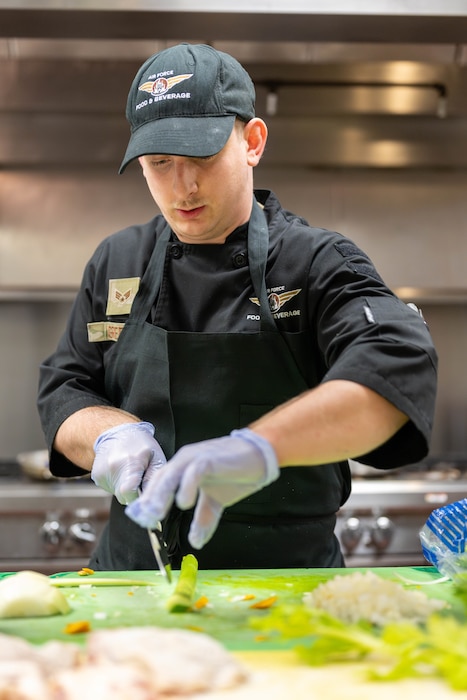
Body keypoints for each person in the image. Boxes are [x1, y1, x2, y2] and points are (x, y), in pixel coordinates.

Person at [37, 43, 438, 571]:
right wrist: (107, 433)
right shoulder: (118, 259)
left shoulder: (314, 261)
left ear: (252, 142)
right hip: (133, 583)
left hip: (288, 587)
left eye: (201, 157)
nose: (182, 187)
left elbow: (396, 367)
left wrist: (260, 448)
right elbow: (65, 388)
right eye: (159, 163)